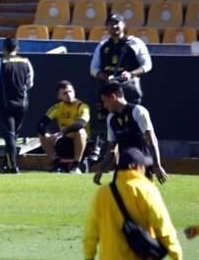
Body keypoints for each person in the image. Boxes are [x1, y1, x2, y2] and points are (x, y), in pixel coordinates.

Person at [87, 12, 153, 165]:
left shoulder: (134, 43)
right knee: (111, 130)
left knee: (134, 128)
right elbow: (93, 69)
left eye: (117, 23)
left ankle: (141, 161)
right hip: (109, 93)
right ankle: (116, 166)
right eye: (110, 24)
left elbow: (147, 65)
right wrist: (106, 77)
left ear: (124, 25)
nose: (114, 27)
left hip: (128, 91)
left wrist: (130, 74)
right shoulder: (103, 46)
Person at [92, 82, 168, 186]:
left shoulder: (138, 112)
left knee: (139, 199)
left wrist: (157, 165)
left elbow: (151, 139)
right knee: (117, 198)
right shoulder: (111, 118)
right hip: (123, 166)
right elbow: (112, 149)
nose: (104, 105)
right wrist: (100, 170)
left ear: (113, 97)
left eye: (105, 101)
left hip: (142, 164)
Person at [0, 36, 34, 174]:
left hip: (5, 104)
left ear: (4, 48)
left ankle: (13, 166)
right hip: (22, 104)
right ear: (17, 48)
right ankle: (6, 164)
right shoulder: (26, 62)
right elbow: (30, 83)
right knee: (13, 136)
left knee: (9, 135)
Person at [38, 80, 91, 173]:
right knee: (41, 134)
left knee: (80, 131)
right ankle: (56, 162)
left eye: (70, 91)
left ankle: (76, 165)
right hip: (63, 140)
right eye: (65, 93)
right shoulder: (57, 107)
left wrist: (62, 132)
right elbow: (40, 124)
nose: (69, 95)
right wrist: (48, 136)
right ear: (59, 96)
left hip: (81, 141)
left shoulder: (82, 106)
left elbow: (81, 123)